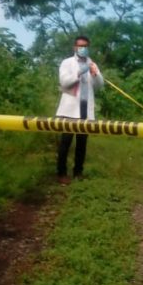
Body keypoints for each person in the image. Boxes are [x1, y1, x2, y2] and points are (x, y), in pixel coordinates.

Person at [55, 35, 104, 184]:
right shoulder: (67, 63)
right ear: (75, 47)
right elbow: (64, 82)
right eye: (80, 46)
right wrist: (79, 72)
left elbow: (100, 85)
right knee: (65, 143)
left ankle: (78, 172)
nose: (82, 49)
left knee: (82, 144)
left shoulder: (91, 63)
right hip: (70, 110)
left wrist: (95, 74)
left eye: (85, 46)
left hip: (85, 109)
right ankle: (61, 173)